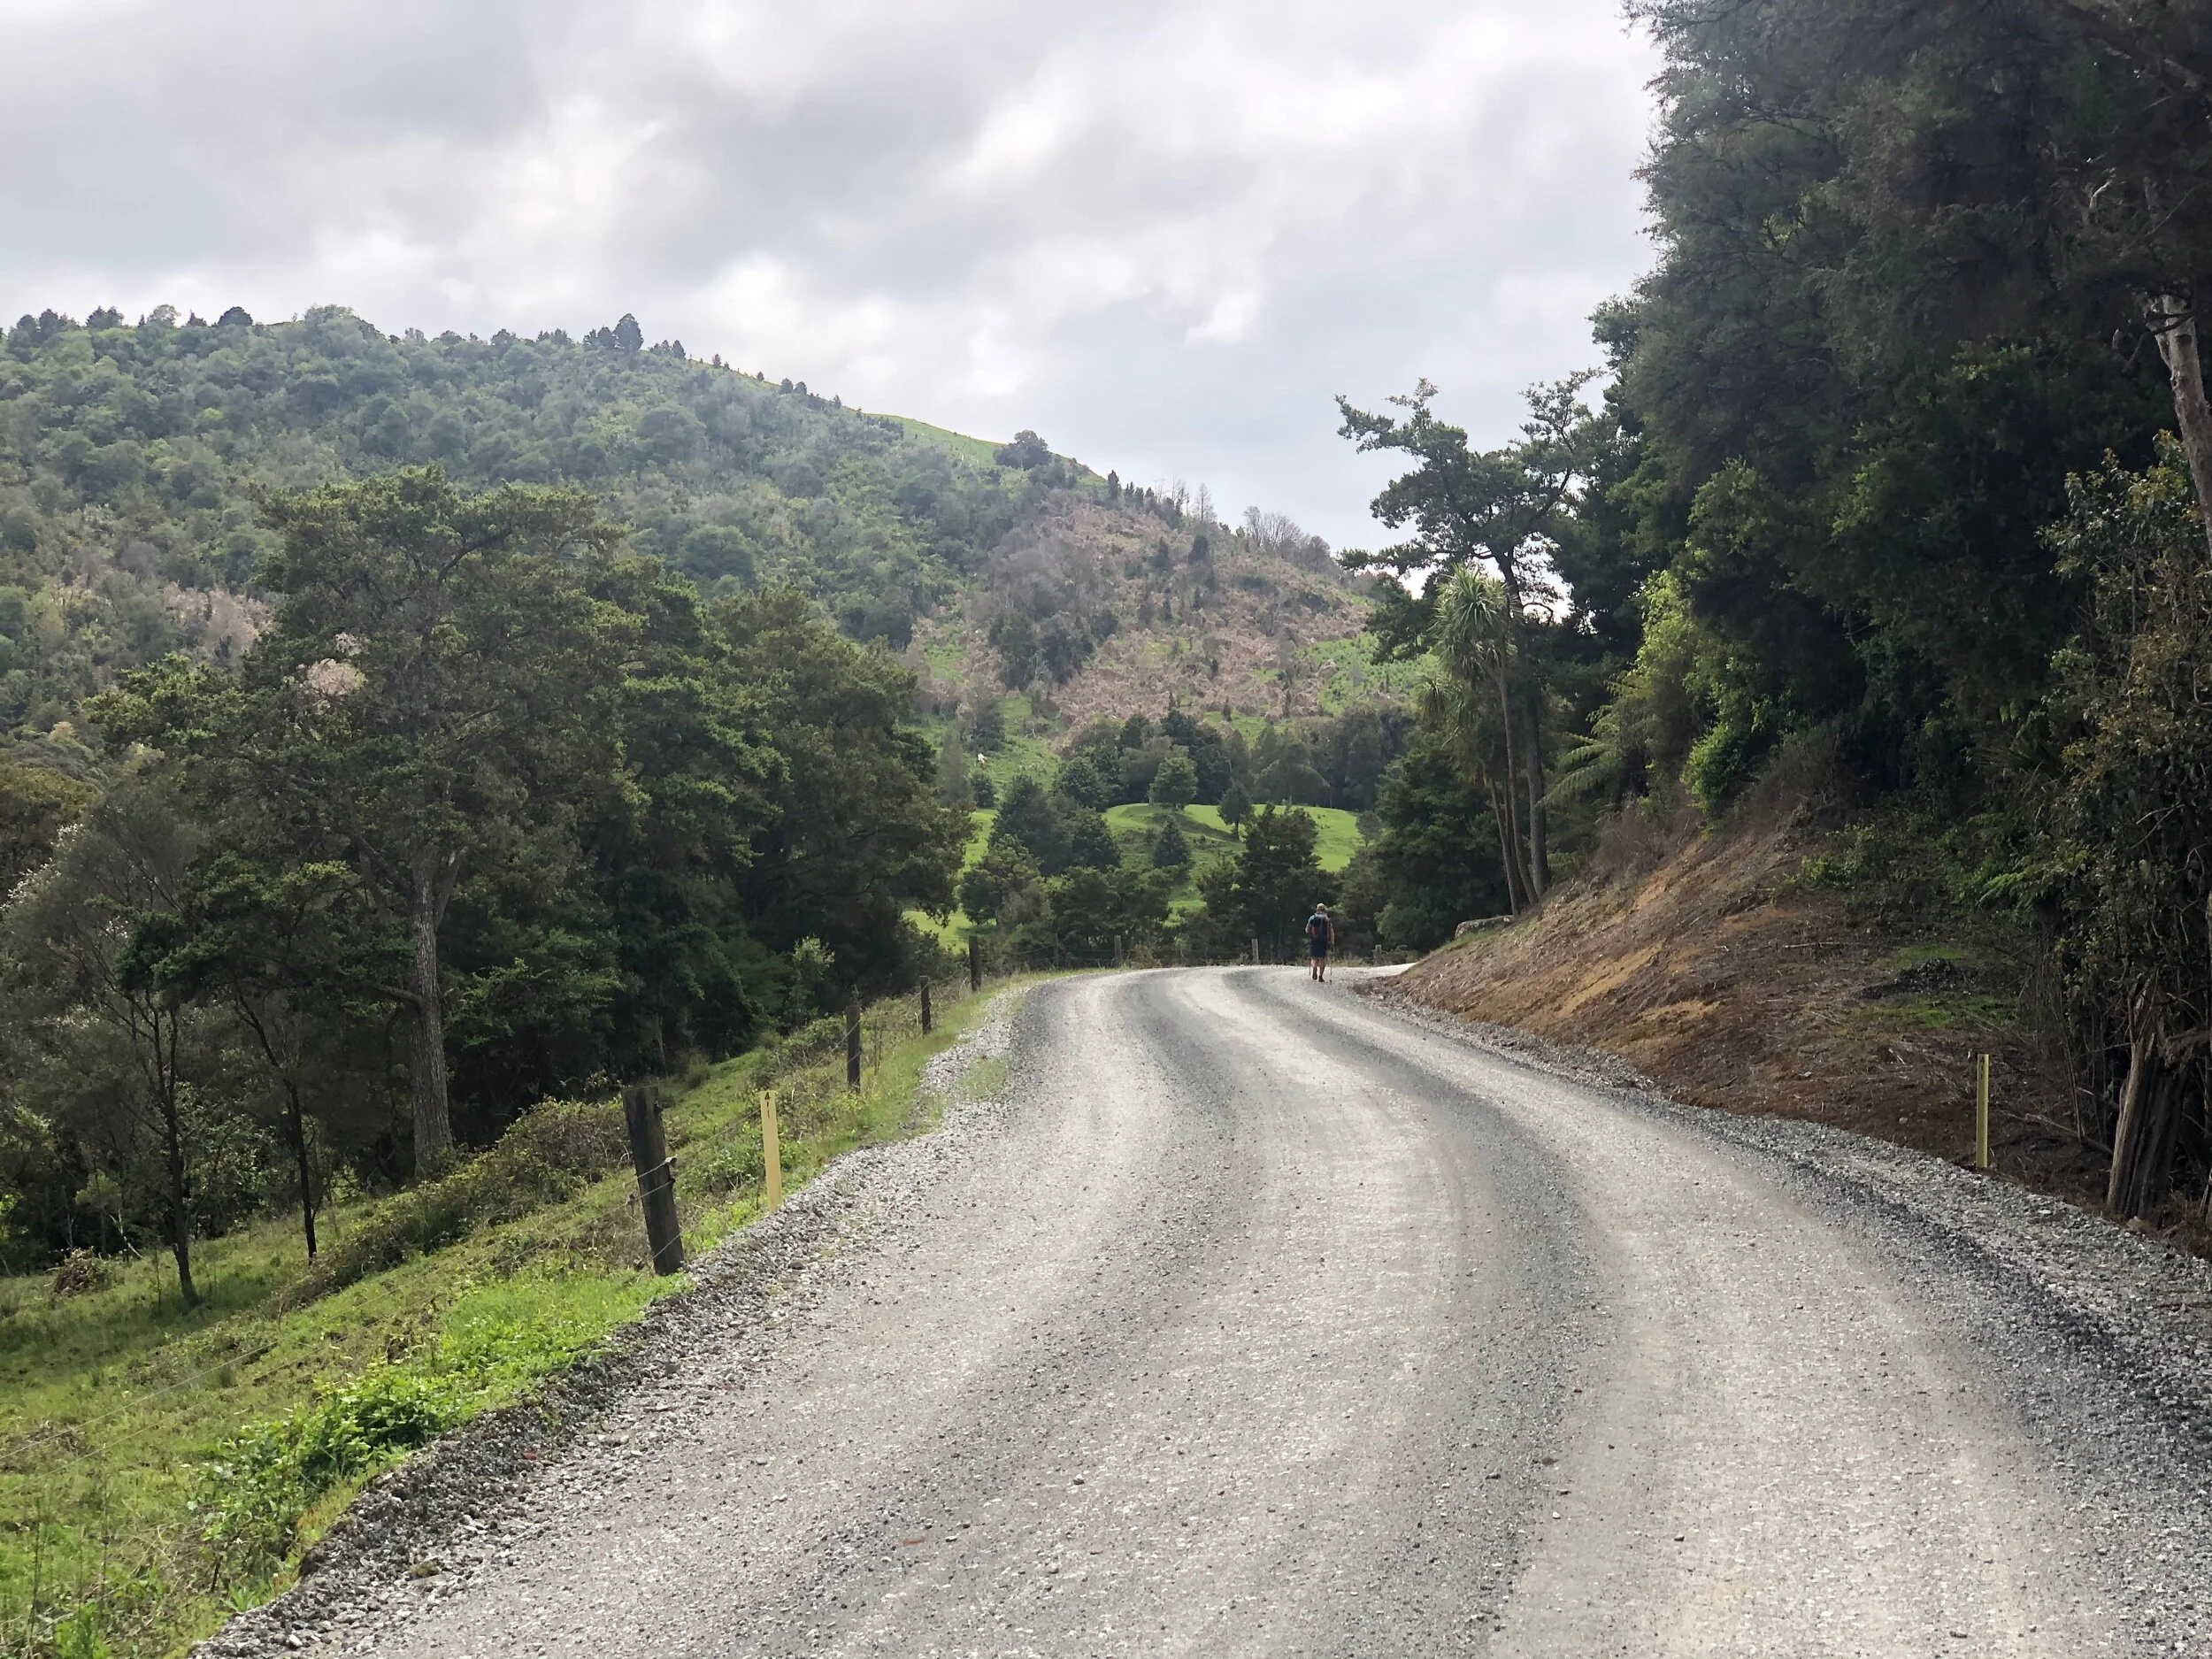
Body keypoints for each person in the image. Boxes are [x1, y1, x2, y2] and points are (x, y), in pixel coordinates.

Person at [1305, 901, 1333, 983]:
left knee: (1314, 957)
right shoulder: (1327, 919)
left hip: (1314, 939)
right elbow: (1331, 932)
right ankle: (1320, 976)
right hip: (1324, 940)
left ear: (1317, 909)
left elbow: (1307, 930)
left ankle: (1314, 968)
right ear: (1324, 909)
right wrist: (1332, 941)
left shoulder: (1312, 918)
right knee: (1322, 958)